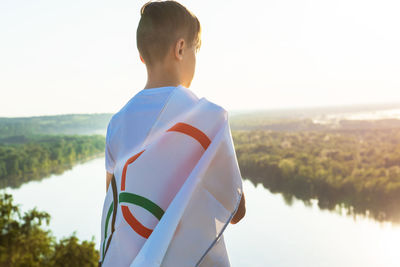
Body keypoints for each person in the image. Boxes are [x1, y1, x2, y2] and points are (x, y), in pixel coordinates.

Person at [105, 0, 245, 228]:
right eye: (195, 50)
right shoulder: (209, 117)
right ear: (180, 49)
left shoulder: (116, 124)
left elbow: (115, 211)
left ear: (142, 56)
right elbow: (236, 210)